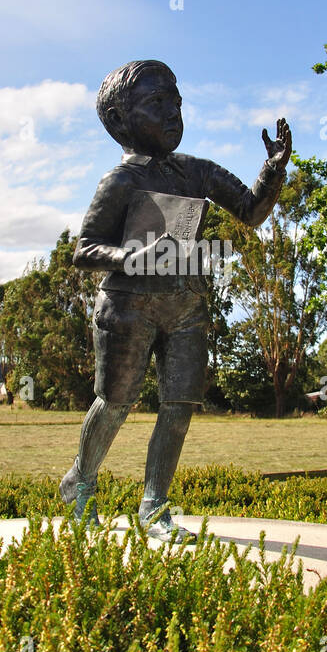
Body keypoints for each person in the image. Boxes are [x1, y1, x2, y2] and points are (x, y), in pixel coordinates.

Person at [61, 59, 291, 540]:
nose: (173, 113)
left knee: (179, 406)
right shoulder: (120, 181)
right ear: (121, 120)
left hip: (186, 304)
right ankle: (80, 482)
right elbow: (83, 251)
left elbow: (249, 212)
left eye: (177, 102)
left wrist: (272, 170)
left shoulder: (197, 172)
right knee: (116, 403)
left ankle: (154, 507)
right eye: (156, 103)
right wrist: (130, 254)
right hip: (128, 306)